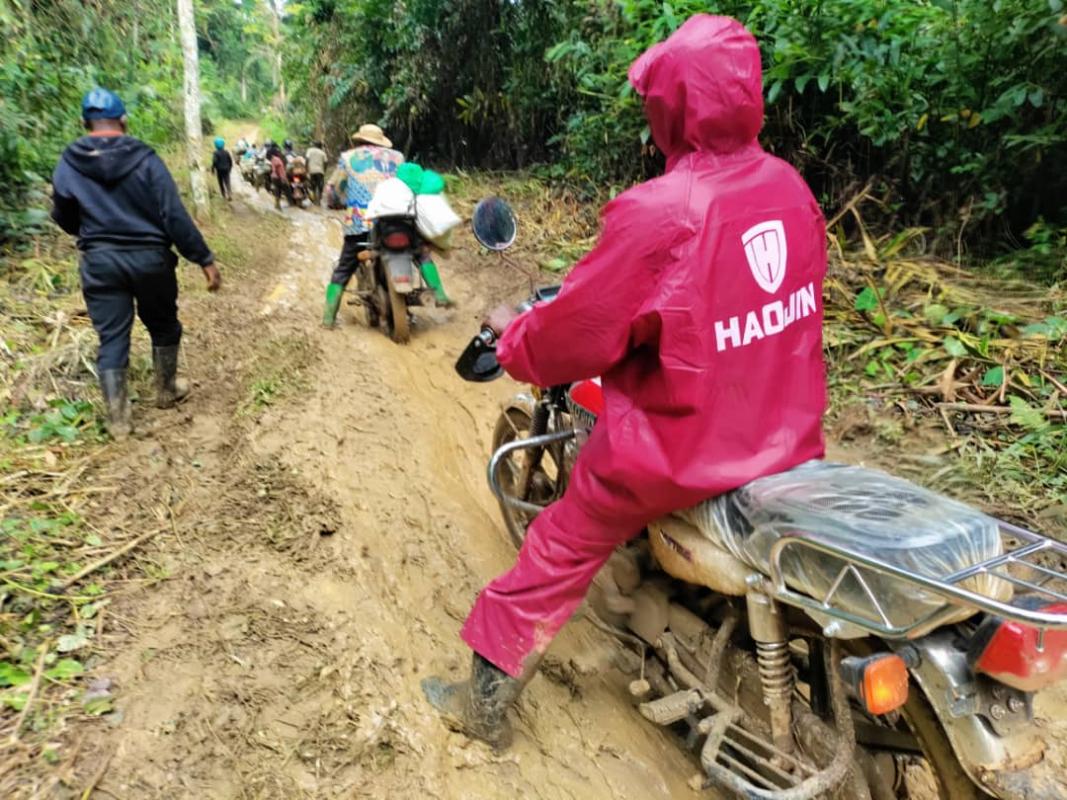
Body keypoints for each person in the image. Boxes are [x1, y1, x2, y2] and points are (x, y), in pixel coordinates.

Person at [422, 15, 828, 749]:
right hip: (788, 437)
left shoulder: (662, 212)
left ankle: (480, 709)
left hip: (679, 452)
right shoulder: (789, 188)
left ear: (669, 106)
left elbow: (576, 332)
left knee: (559, 542)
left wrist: (516, 339)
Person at [50, 88, 221, 438]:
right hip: (150, 260)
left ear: (85, 123)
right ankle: (166, 390)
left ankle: (119, 420)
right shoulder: (145, 159)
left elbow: (64, 214)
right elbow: (172, 214)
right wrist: (203, 259)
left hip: (100, 262)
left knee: (112, 337)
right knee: (163, 325)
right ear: (124, 120)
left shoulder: (70, 161)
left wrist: (89, 233)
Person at [320, 124, 404, 327]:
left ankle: (328, 319)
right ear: (380, 141)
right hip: (396, 220)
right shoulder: (397, 157)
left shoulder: (348, 158)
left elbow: (334, 190)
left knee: (343, 270)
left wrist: (336, 201)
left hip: (360, 223)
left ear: (359, 140)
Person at [268, 142, 292, 210]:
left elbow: (274, 169)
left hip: (274, 177)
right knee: (286, 189)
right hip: (279, 177)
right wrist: (283, 178)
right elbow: (281, 171)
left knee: (277, 190)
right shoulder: (279, 160)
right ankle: (290, 203)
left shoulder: (273, 159)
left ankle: (277, 205)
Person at [305, 140, 328, 205]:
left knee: (312, 186)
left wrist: (306, 169)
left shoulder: (309, 150)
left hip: (311, 171)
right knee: (320, 186)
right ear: (320, 146)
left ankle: (314, 199)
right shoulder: (322, 153)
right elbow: (326, 162)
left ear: (314, 145)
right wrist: (324, 170)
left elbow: (307, 160)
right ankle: (319, 201)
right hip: (320, 172)